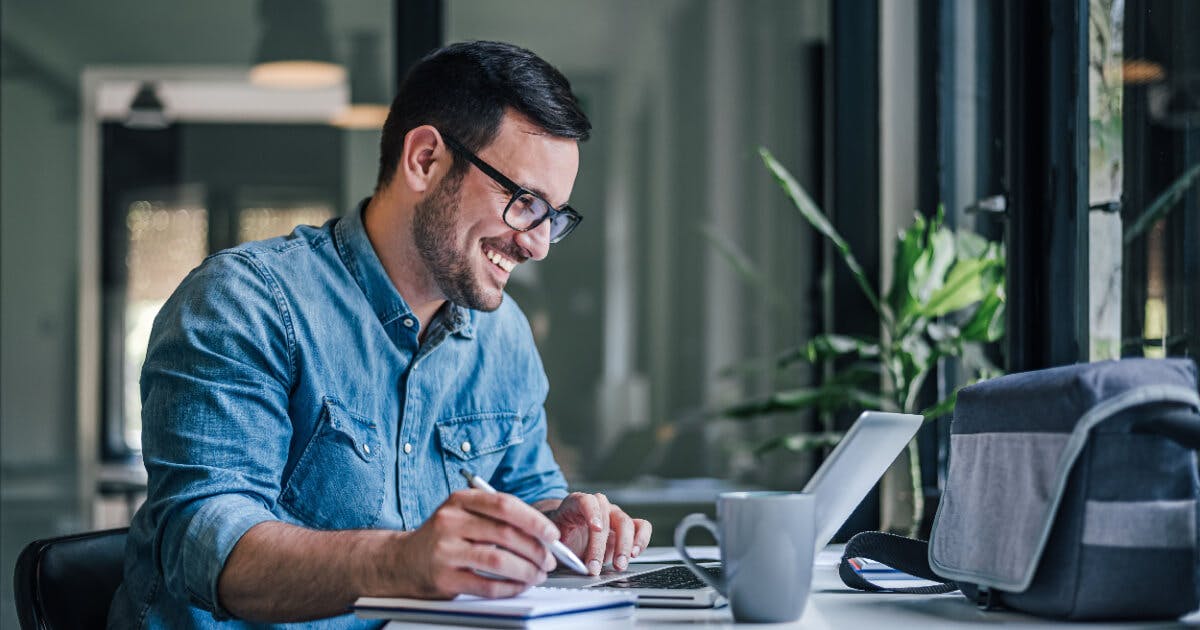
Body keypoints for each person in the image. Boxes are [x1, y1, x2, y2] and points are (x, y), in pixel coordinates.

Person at [108, 40, 651, 628]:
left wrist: (559, 522)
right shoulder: (245, 301)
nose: (538, 244)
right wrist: (401, 563)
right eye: (524, 202)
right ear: (424, 160)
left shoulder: (504, 335)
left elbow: (528, 491)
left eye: (555, 216)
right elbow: (206, 543)